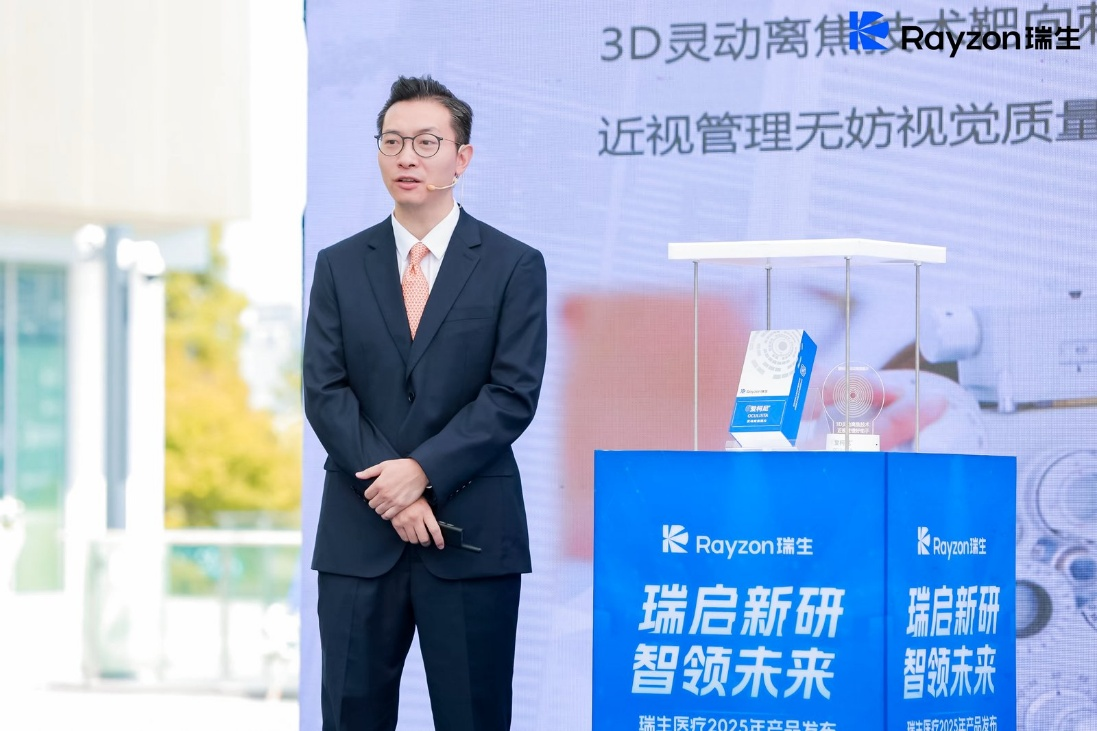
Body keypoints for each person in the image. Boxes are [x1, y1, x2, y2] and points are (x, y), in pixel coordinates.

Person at [303, 75, 548, 731]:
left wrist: (422, 471)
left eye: (425, 142)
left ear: (461, 158)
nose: (406, 157)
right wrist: (392, 489)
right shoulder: (338, 265)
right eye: (392, 142)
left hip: (470, 531)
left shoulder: (513, 264)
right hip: (359, 532)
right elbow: (325, 390)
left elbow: (511, 393)